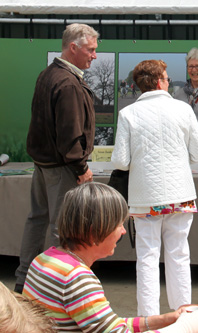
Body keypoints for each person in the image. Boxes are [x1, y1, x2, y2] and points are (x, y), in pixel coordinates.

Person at [23, 183, 198, 333]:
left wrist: (166, 319)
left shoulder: (43, 260)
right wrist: (186, 327)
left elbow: (110, 325)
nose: (122, 231)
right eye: (118, 224)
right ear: (94, 231)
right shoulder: (76, 278)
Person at [112, 60, 198, 315]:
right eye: (166, 78)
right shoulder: (183, 109)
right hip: (181, 195)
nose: (168, 81)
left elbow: (120, 161)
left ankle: (148, 319)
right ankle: (183, 314)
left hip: (145, 197)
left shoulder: (128, 114)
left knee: (147, 257)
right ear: (158, 82)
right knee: (179, 255)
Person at [14, 23, 98, 294]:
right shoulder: (68, 82)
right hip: (62, 167)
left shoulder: (48, 74)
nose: (94, 55)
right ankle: (51, 289)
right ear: (73, 48)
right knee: (61, 228)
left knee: (37, 220)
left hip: (43, 164)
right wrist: (81, 167)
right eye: (91, 50)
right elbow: (70, 134)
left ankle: (24, 281)